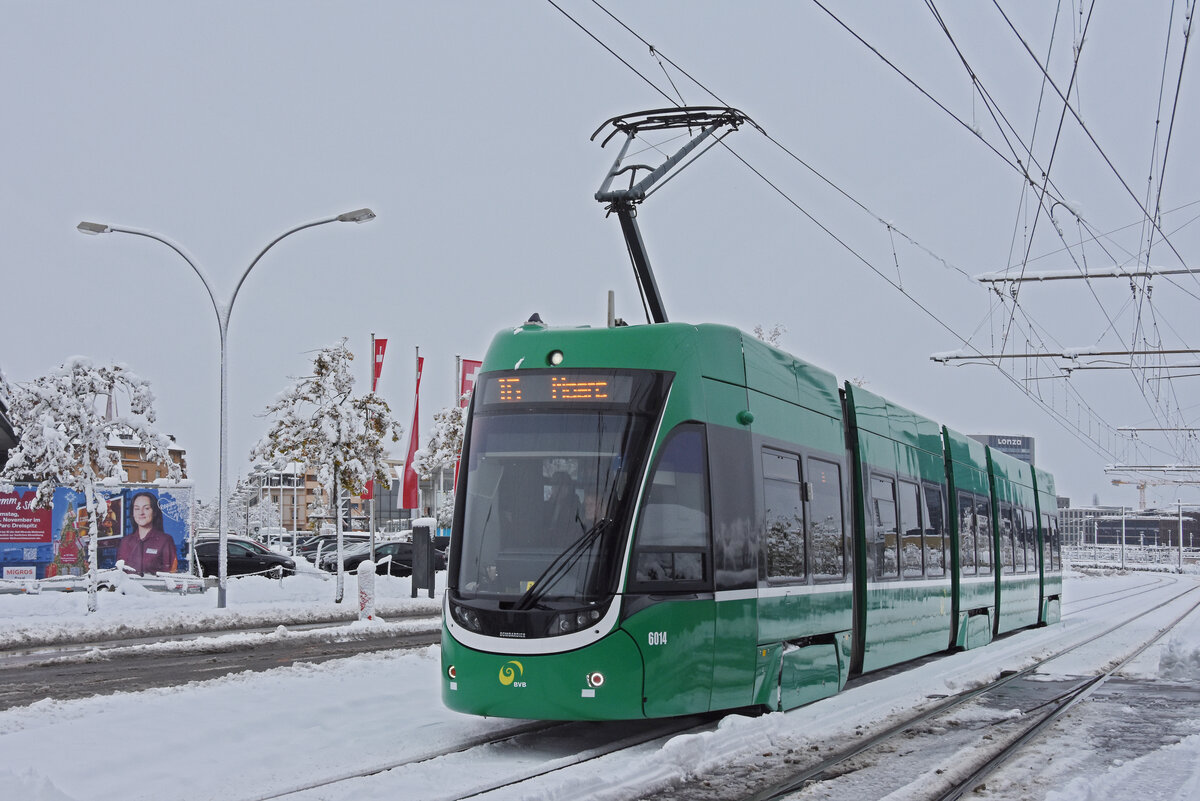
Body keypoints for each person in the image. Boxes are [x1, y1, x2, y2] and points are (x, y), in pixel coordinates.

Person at [116, 492, 178, 575]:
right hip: (129, 587)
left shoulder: (165, 541)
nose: (141, 513)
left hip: (154, 587)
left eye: (146, 508)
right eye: (137, 509)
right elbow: (119, 573)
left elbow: (171, 574)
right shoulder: (125, 542)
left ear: (155, 512)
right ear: (133, 513)